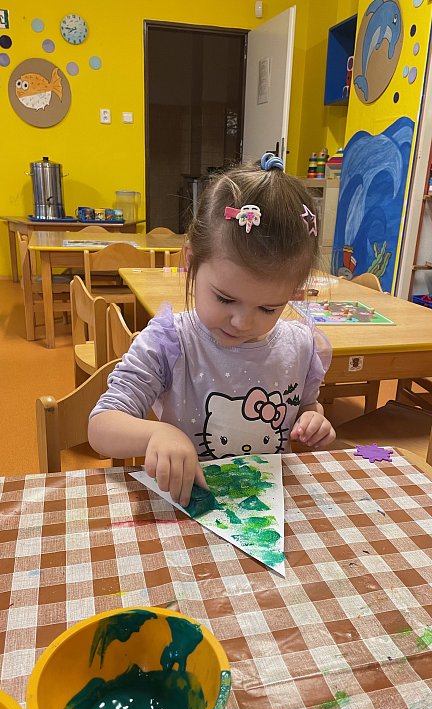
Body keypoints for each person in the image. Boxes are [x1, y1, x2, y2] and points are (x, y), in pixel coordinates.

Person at [88, 152, 336, 506]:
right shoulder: (169, 343)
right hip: (190, 506)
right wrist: (157, 434)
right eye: (225, 298)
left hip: (264, 510)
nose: (242, 322)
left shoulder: (300, 346)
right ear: (190, 261)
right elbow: (101, 426)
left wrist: (313, 419)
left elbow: (308, 404)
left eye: (268, 308)